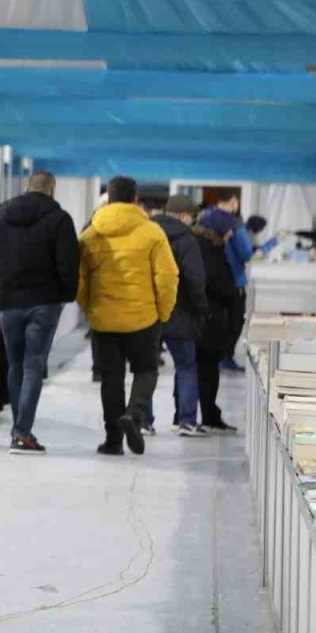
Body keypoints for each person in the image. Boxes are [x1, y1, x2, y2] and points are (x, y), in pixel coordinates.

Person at [77, 176, 179, 456]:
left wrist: (90, 308)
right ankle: (134, 414)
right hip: (143, 318)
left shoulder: (91, 234)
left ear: (108, 198)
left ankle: (112, 441)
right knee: (146, 370)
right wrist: (163, 312)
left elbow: (80, 280)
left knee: (111, 379)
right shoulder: (152, 233)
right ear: (136, 199)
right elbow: (168, 276)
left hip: (103, 320)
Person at [0, 171, 79, 455]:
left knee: (16, 366)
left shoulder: (3, 218)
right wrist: (67, 295)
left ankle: (19, 429)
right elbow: (67, 263)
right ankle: (21, 432)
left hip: (9, 302)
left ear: (27, 188)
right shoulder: (59, 219)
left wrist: (0, 291)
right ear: (51, 190)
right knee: (34, 366)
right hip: (44, 302)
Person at [150, 195, 208, 437]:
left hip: (151, 312)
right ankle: (185, 421)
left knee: (147, 368)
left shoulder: (149, 234)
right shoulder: (187, 240)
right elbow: (195, 279)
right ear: (184, 216)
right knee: (185, 366)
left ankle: (144, 421)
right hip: (181, 312)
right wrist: (201, 308)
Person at [191, 214, 243, 434]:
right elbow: (215, 281)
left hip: (204, 317)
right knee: (206, 369)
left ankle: (199, 415)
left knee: (202, 369)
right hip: (209, 318)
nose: (231, 234)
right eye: (229, 230)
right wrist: (233, 293)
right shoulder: (208, 248)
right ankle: (206, 416)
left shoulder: (205, 244)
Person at [197, 189, 253, 372]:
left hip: (207, 279)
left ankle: (213, 355)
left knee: (214, 319)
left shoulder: (203, 218)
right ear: (234, 202)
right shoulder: (234, 224)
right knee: (234, 320)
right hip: (233, 279)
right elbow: (245, 253)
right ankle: (226, 356)